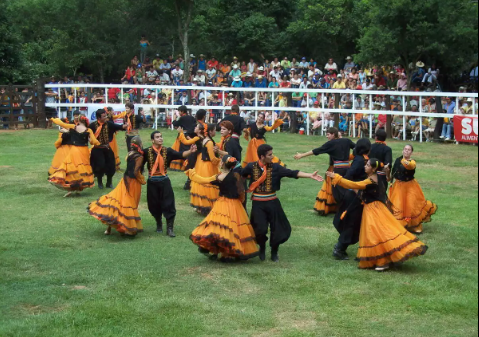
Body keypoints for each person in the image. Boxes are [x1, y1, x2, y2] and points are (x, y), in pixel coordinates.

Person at [327, 159, 428, 271]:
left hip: (373, 210)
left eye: (368, 165)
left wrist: (337, 177)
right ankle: (387, 258)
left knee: (376, 234)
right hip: (377, 208)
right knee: (381, 233)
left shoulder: (370, 181)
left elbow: (353, 184)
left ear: (373, 169)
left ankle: (383, 261)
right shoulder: (377, 178)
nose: (365, 166)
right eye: (366, 164)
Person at [242, 144, 323, 262]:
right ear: (262, 156)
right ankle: (262, 248)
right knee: (259, 229)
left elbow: (292, 173)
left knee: (278, 227)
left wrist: (310, 175)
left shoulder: (276, 167)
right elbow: (240, 176)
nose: (272, 156)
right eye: (270, 155)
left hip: (273, 202)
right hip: (258, 204)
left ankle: (274, 251)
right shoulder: (251, 166)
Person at [187, 156, 259, 262]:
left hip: (222, 203)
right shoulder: (236, 175)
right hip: (235, 204)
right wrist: (240, 201)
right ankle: (230, 253)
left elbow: (203, 180)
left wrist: (191, 173)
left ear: (222, 164)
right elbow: (241, 192)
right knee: (234, 227)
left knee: (217, 226)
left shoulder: (219, 177)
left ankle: (217, 250)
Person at [88, 136, 146, 237]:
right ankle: (126, 227)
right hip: (133, 182)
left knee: (117, 202)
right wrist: (142, 180)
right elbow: (136, 172)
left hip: (124, 180)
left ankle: (109, 229)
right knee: (129, 204)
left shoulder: (130, 154)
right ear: (140, 144)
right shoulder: (139, 157)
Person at [144, 131, 197, 237]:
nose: (160, 138)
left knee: (169, 204)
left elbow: (180, 154)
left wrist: (190, 151)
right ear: (152, 140)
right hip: (152, 182)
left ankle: (169, 228)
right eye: (157, 137)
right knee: (153, 205)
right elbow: (138, 161)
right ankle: (159, 223)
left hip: (164, 181)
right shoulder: (146, 151)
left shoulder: (167, 151)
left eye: (161, 136)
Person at [331, 138, 371, 260]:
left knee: (354, 223)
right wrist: (355, 188)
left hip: (357, 195)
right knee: (351, 222)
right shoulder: (359, 160)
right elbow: (348, 176)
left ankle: (341, 246)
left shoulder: (362, 159)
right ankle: (339, 248)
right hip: (354, 196)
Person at [294, 127, 356, 203]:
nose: (327, 136)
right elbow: (357, 148)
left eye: (328, 134)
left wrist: (302, 155)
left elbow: (316, 151)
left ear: (333, 134)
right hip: (348, 168)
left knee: (338, 192)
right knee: (347, 187)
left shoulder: (330, 143)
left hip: (338, 170)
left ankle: (344, 209)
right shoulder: (347, 141)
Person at [389, 145, 438, 234]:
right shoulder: (397, 160)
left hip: (410, 186)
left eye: (408, 150)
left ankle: (414, 226)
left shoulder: (412, 162)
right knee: (398, 205)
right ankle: (399, 225)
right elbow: (394, 171)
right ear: (402, 150)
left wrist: (407, 163)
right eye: (405, 149)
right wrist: (391, 181)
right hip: (399, 186)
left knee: (411, 205)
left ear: (411, 152)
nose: (406, 151)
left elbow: (411, 166)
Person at [48, 116, 99, 197]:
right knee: (82, 169)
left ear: (78, 121)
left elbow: (62, 124)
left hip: (74, 150)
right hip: (84, 151)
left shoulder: (73, 127)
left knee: (72, 167)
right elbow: (94, 142)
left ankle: (72, 187)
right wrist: (96, 143)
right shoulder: (88, 130)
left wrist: (53, 119)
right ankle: (78, 187)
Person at [89, 109, 128, 189]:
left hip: (106, 148)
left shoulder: (109, 124)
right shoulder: (92, 126)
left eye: (106, 115)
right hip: (97, 149)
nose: (106, 117)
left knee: (111, 165)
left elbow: (119, 127)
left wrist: (125, 125)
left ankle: (109, 183)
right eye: (104, 116)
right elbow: (87, 134)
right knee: (100, 165)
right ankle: (100, 182)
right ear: (98, 118)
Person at [190, 123, 221, 215]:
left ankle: (201, 207)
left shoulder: (205, 140)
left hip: (202, 164)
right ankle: (207, 207)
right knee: (209, 186)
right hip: (208, 166)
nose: (216, 131)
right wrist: (221, 160)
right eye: (214, 130)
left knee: (202, 186)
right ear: (210, 132)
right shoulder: (210, 142)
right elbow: (213, 159)